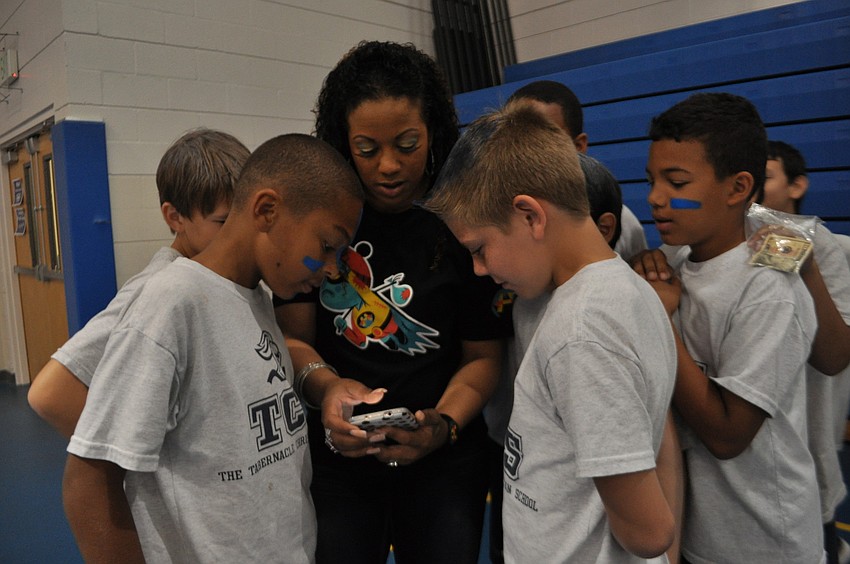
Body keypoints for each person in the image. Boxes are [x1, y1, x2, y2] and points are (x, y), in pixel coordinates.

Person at [62, 134, 379, 562]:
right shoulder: (171, 303)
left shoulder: (258, 297)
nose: (330, 269)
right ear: (266, 210)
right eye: (326, 246)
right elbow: (89, 482)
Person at [273, 41, 511, 564]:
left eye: (407, 144)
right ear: (342, 142)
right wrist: (328, 387)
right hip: (339, 462)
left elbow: (483, 357)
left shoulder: (461, 218)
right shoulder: (321, 217)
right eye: (366, 149)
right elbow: (291, 338)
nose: (388, 166)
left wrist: (442, 425)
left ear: (435, 134)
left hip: (443, 463)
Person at [425, 102, 677, 562]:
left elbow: (649, 531)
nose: (479, 269)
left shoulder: (582, 332)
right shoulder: (617, 291)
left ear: (530, 216)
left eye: (479, 249)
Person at [640, 92, 823, 563]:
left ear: (738, 187)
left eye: (676, 182)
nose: (655, 197)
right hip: (699, 536)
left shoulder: (768, 289)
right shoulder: (675, 262)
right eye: (652, 180)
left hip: (764, 544)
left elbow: (727, 435)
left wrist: (661, 323)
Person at [28, 128, 250, 439]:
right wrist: (152, 463)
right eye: (224, 222)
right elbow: (50, 394)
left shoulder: (222, 275)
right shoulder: (155, 287)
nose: (241, 233)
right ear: (175, 217)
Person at [763, 139, 850, 564]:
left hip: (808, 441)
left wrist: (786, 250)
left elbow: (834, 353)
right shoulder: (712, 242)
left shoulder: (820, 243)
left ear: (797, 186)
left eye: (766, 176)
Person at [506, 79, 649, 261]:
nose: (527, 153)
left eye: (544, 141)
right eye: (515, 140)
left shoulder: (621, 221)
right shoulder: (492, 221)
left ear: (578, 146)